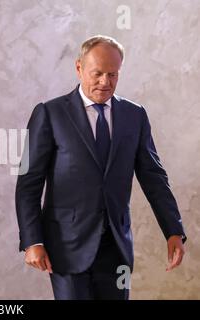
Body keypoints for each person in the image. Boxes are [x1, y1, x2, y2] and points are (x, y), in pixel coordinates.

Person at [15, 35, 186, 300]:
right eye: (97, 73)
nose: (105, 82)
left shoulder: (135, 115)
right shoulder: (49, 113)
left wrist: (173, 230)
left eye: (113, 75)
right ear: (79, 68)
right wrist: (32, 241)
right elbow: (28, 184)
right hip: (66, 247)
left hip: (117, 246)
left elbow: (154, 178)